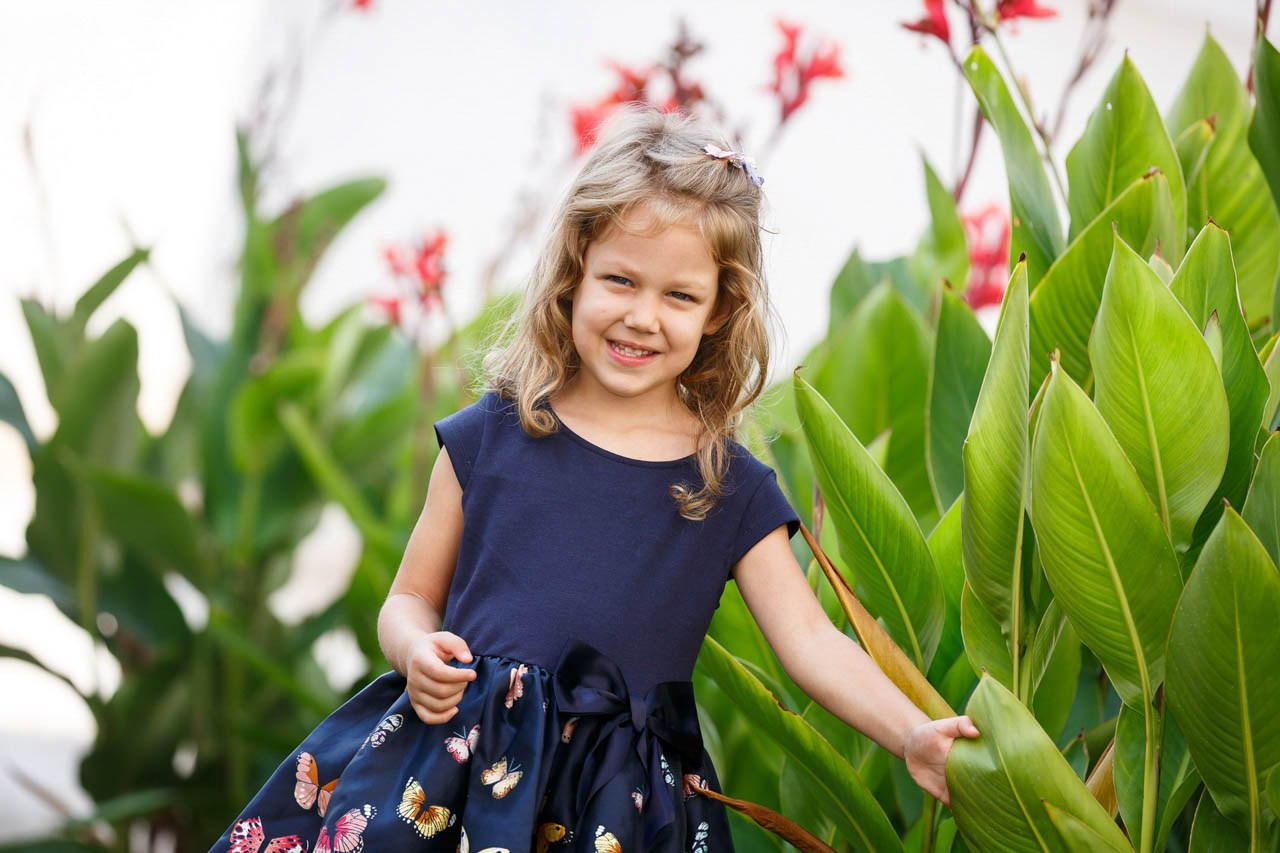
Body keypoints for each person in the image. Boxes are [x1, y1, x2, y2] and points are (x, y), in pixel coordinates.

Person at [210, 104, 979, 853]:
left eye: (680, 295)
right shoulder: (491, 436)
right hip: (454, 780)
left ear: (720, 311)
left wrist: (911, 732)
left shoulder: (727, 484)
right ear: (574, 273)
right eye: (621, 280)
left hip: (620, 806)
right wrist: (414, 650)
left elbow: (810, 640)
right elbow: (410, 597)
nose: (644, 316)